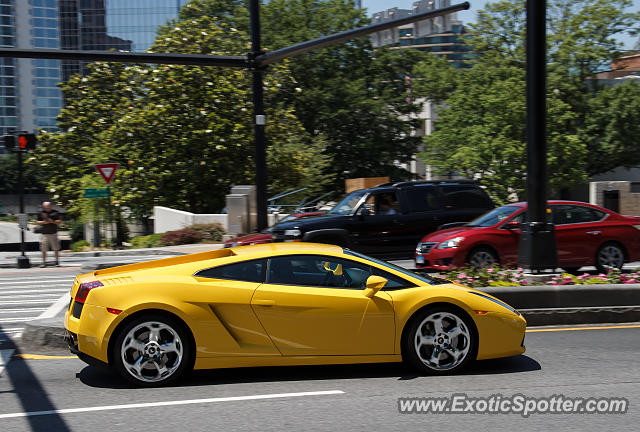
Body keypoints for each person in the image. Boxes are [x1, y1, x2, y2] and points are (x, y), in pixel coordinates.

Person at [37, 201, 62, 267]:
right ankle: (44, 262)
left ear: (51, 206)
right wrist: (43, 222)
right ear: (43, 206)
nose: (47, 207)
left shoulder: (55, 212)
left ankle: (57, 262)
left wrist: (52, 221)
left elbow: (59, 222)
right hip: (44, 234)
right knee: (43, 248)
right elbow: (38, 222)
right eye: (45, 206)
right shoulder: (41, 213)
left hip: (53, 233)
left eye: (48, 206)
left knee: (56, 248)